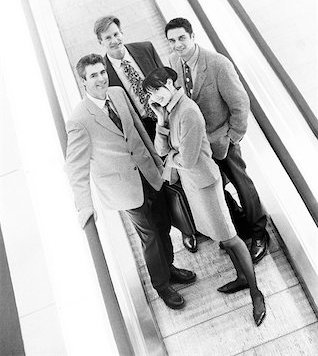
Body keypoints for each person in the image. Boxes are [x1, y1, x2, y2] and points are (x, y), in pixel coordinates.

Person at [65, 54, 196, 310]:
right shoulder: (79, 120)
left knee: (163, 224)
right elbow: (75, 167)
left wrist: (160, 164)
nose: (101, 78)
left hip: (148, 173)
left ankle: (169, 268)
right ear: (83, 82)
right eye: (93, 75)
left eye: (102, 72)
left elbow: (137, 128)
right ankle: (162, 286)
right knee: (149, 236)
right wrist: (84, 205)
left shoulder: (117, 93)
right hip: (123, 188)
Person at [143, 67, 266, 326]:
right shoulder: (169, 112)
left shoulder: (187, 111)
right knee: (222, 235)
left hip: (206, 184)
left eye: (158, 90)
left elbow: (185, 159)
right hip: (193, 184)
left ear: (169, 83)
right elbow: (160, 148)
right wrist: (161, 123)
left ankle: (257, 293)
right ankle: (242, 278)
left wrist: (169, 161)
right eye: (152, 95)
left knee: (230, 238)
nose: (156, 97)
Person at [166, 17, 269, 263]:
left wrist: (232, 137)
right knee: (216, 188)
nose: (178, 44)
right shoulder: (173, 62)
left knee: (242, 184)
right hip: (200, 146)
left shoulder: (217, 64)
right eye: (172, 41)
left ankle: (258, 234)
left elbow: (240, 104)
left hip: (222, 139)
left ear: (192, 36)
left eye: (182, 38)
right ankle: (238, 226)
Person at [93, 15, 198, 253]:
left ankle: (200, 223)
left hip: (167, 118)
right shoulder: (103, 72)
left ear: (122, 33)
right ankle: (187, 230)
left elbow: (168, 82)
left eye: (116, 34)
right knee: (167, 181)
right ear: (100, 41)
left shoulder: (145, 49)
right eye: (107, 37)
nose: (114, 40)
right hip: (142, 132)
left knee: (187, 171)